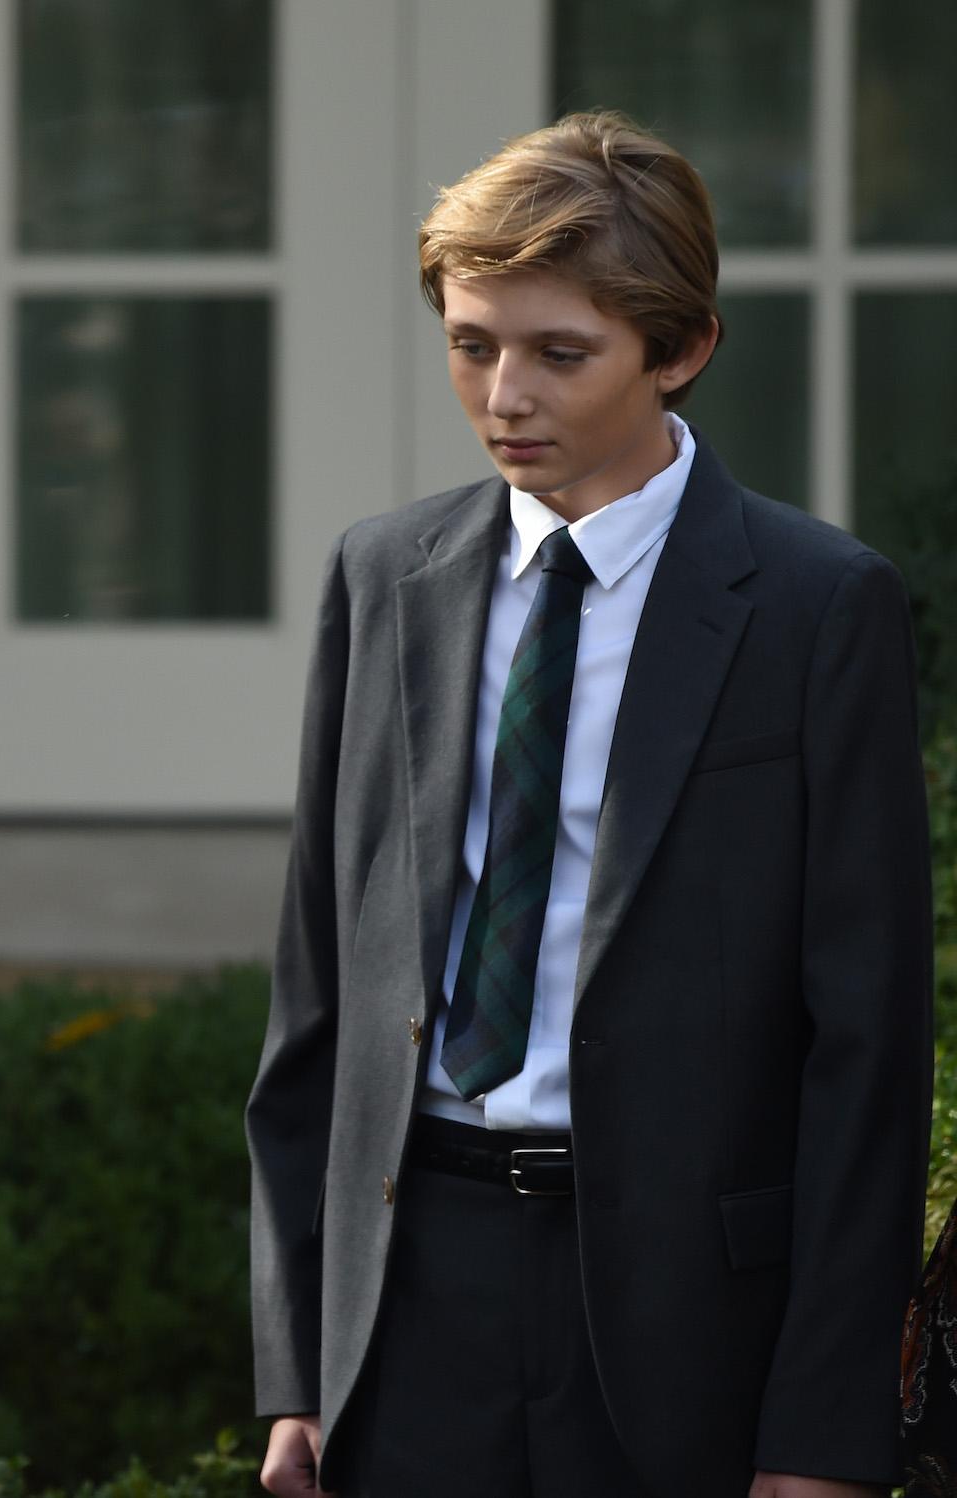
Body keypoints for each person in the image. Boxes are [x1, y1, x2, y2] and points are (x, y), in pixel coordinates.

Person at [245, 111, 931, 1498]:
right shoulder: (382, 578)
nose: (507, 395)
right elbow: (316, 1002)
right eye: (472, 344)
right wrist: (297, 1365)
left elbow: (868, 1049)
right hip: (411, 1290)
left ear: (679, 352)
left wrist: (822, 1426)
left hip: (690, 1319)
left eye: (562, 353)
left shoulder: (816, 608)